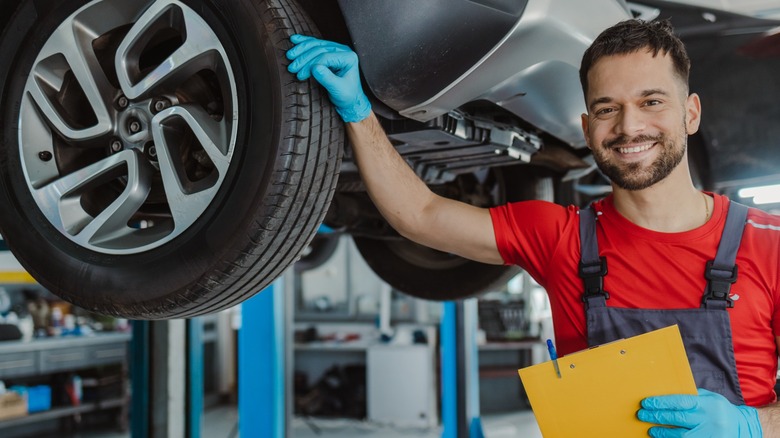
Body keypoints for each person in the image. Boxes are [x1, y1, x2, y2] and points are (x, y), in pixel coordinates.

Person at [286, 19, 780, 436]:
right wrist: (357, 109)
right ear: (587, 130)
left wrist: (751, 427)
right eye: (608, 109)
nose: (629, 127)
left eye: (652, 102)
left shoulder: (768, 246)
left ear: (690, 114)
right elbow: (419, 215)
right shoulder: (559, 238)